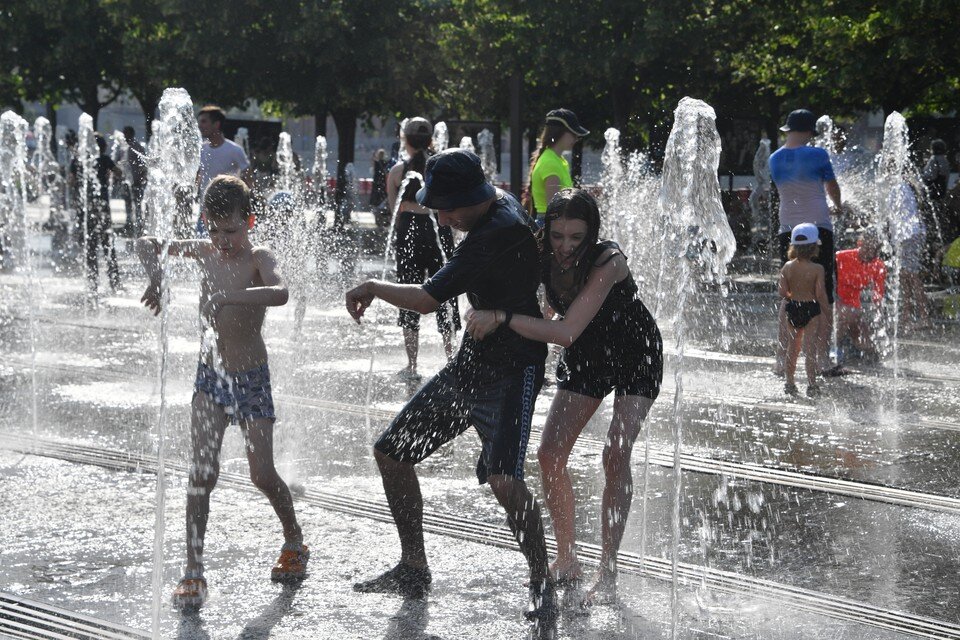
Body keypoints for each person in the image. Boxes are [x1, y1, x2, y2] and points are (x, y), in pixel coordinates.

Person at [345, 149, 557, 621]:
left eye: (443, 209)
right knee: (392, 452)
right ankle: (413, 566)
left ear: (466, 201)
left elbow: (424, 301)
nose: (439, 217)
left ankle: (542, 582)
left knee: (504, 480)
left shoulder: (495, 233)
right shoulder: (491, 206)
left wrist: (373, 287)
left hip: (513, 371)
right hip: (472, 365)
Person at [464, 188, 663, 604]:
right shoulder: (539, 254)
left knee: (615, 453)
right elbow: (547, 315)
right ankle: (567, 558)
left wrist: (502, 318)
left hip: (634, 352)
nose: (566, 246)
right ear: (546, 229)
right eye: (557, 236)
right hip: (588, 354)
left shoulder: (608, 261)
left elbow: (565, 330)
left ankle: (607, 576)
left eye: (576, 237)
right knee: (550, 454)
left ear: (592, 234)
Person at [136, 175, 308, 608]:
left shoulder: (258, 257)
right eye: (213, 229)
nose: (222, 239)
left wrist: (231, 296)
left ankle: (294, 541)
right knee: (201, 474)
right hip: (210, 378)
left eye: (230, 230)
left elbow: (282, 291)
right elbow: (145, 242)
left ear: (248, 221)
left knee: (262, 475)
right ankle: (193, 570)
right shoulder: (204, 250)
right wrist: (156, 278)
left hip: (251, 379)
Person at [769, 108, 842, 376]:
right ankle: (822, 359)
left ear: (788, 130)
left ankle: (781, 359)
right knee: (822, 292)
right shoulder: (818, 155)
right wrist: (839, 206)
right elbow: (831, 187)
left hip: (787, 229)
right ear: (811, 131)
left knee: (788, 292)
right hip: (818, 229)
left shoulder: (774, 159)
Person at [387, 117, 460, 380]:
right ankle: (452, 359)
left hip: (410, 232)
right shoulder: (440, 168)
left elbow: (394, 209)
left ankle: (412, 364)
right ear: (431, 140)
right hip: (438, 229)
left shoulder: (398, 171)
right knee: (445, 290)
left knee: (408, 291)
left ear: (404, 139)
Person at [778, 223, 831, 397]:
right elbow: (820, 293)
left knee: (792, 348)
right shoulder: (818, 269)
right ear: (815, 247)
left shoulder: (787, 267)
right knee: (810, 350)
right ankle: (812, 384)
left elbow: (782, 292)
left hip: (793, 308)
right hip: (811, 309)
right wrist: (826, 311)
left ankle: (790, 382)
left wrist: (792, 296)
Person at [71, 134, 123, 294]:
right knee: (107, 244)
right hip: (102, 206)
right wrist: (111, 175)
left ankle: (93, 283)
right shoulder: (105, 159)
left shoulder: (78, 161)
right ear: (103, 147)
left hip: (86, 208)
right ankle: (114, 281)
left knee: (90, 246)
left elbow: (71, 182)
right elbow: (119, 173)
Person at [526, 109, 589, 226]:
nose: (576, 139)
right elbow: (554, 210)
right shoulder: (550, 163)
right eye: (573, 134)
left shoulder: (558, 160)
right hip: (552, 226)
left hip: (556, 223)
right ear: (559, 133)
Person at [195, 105, 250, 234]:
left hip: (229, 213)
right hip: (205, 212)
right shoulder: (201, 150)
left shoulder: (234, 150)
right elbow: (197, 177)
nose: (200, 126)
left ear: (216, 124)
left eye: (204, 121)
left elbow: (248, 177)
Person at [835, 229, 886, 365]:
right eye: (868, 247)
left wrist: (877, 314)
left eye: (875, 248)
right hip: (835, 298)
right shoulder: (841, 256)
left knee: (866, 344)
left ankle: (857, 352)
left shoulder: (878, 265)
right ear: (859, 243)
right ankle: (834, 350)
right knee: (846, 315)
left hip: (853, 304)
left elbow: (878, 293)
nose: (871, 252)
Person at [888, 172, 930, 331]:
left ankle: (923, 317)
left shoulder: (898, 188)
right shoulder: (908, 187)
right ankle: (906, 317)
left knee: (912, 276)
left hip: (908, 236)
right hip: (911, 234)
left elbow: (895, 216)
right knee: (905, 276)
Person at [121, 126, 147, 236]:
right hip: (126, 181)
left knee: (137, 203)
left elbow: (144, 163)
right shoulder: (124, 147)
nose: (124, 136)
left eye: (126, 133)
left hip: (136, 180)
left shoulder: (137, 147)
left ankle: (138, 223)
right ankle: (129, 223)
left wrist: (141, 177)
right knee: (127, 202)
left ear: (131, 134)